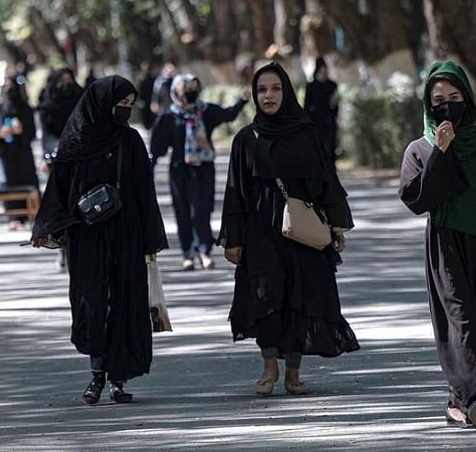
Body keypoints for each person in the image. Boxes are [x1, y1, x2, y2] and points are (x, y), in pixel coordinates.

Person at [217, 62, 359, 396]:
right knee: (267, 297)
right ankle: (269, 366)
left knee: (301, 296)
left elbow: (326, 181)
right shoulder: (245, 139)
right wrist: (233, 240)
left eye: (276, 89)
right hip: (261, 233)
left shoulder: (307, 134)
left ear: (287, 92)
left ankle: (293, 371)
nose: (268, 96)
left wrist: (336, 225)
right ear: (254, 95)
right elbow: (235, 192)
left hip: (302, 230)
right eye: (262, 90)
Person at [398, 61, 476, 434]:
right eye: (439, 100)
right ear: (427, 104)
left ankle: (464, 400)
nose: (447, 105)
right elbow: (418, 199)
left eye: (455, 98)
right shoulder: (420, 148)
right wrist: (441, 152)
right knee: (460, 320)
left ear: (467, 100)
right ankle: (474, 399)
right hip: (447, 245)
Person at [30, 76, 168, 405]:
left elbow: (145, 192)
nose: (124, 111)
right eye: (119, 105)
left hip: (125, 234)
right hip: (86, 236)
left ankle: (117, 380)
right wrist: (46, 227)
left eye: (129, 106)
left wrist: (150, 239)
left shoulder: (131, 141)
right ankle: (96, 374)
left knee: (123, 303)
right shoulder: (76, 140)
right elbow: (59, 187)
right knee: (91, 303)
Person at [150, 73, 250, 271]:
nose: (191, 92)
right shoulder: (168, 117)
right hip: (180, 170)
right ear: (176, 91)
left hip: (203, 168)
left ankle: (204, 251)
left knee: (201, 210)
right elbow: (158, 147)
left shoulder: (206, 111)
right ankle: (189, 254)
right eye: (187, 88)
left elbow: (228, 114)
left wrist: (242, 101)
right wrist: (148, 168)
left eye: (195, 88)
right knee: (183, 211)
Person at [0, 75, 40, 229]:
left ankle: (33, 213)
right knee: (9, 185)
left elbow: (32, 132)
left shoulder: (25, 109)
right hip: (6, 155)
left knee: (27, 182)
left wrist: (21, 132)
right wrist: (0, 133)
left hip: (23, 154)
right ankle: (14, 217)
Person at [36, 67, 83, 164]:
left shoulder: (81, 101)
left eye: (69, 80)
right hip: (57, 153)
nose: (66, 84)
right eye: (62, 81)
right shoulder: (47, 108)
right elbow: (47, 134)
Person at [303, 57, 340, 161]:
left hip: (329, 121)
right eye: (321, 71)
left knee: (330, 147)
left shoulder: (332, 85)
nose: (323, 73)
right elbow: (307, 106)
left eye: (325, 71)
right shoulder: (311, 86)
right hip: (316, 122)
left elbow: (335, 105)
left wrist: (334, 104)